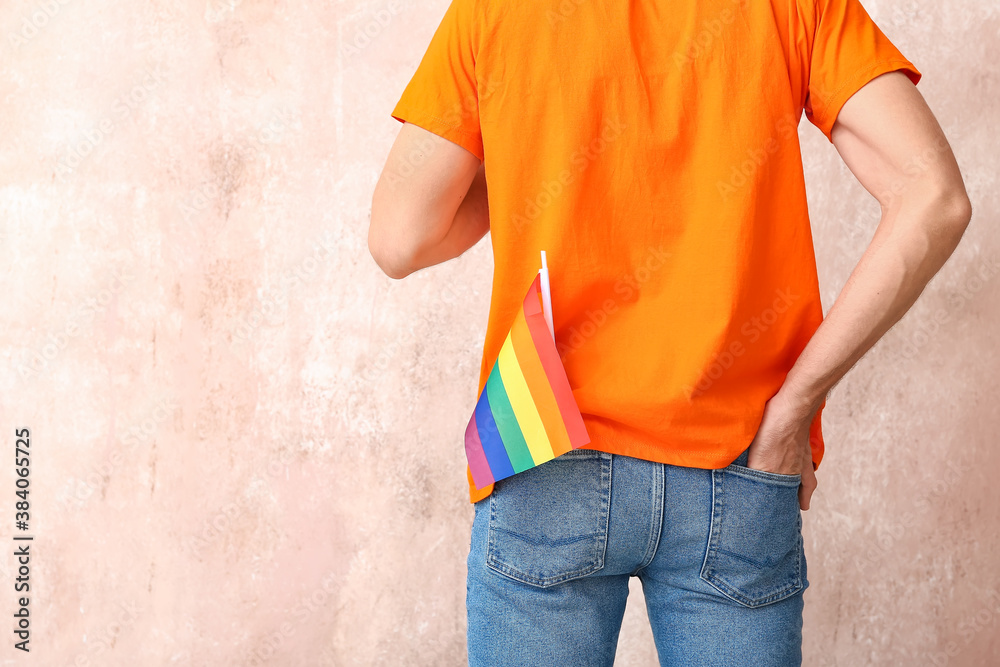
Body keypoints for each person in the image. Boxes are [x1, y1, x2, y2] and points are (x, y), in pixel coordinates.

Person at [367, 0, 973, 663]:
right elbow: (933, 196)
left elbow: (402, 238)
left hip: (540, 442)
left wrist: (529, 159)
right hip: (741, 459)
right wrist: (793, 410)